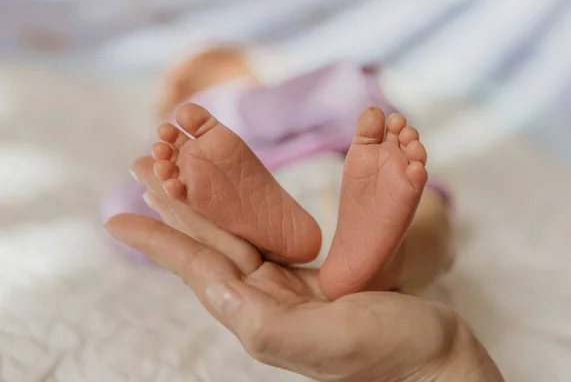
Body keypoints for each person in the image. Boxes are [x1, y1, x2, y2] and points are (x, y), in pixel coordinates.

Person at [104, 103, 504, 381]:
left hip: (346, 174)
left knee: (424, 208)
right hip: (297, 186)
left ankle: (368, 257)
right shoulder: (193, 155)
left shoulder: (301, 112)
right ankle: (379, 263)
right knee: (430, 223)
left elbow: (356, 101)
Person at [102, 46, 453, 298]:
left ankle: (271, 252)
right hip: (339, 179)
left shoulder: (187, 135)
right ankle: (390, 264)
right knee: (428, 224)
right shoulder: (237, 103)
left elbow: (129, 207)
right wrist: (361, 82)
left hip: (271, 205)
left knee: (171, 206)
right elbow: (339, 93)